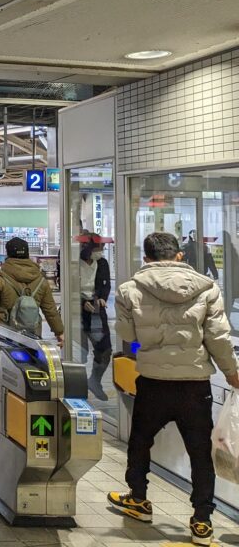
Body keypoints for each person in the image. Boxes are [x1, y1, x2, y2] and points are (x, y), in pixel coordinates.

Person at [108, 232, 239, 546]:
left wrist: (151, 344)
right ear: (180, 256)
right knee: (199, 453)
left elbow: (127, 332)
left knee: (140, 441)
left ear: (147, 258)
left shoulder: (129, 290)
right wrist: (232, 373)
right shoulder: (208, 289)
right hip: (194, 386)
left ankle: (138, 499)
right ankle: (202, 521)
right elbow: (219, 339)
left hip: (152, 381)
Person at [0, 237, 64, 343]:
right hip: (32, 335)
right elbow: (50, 310)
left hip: (5, 334)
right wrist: (59, 332)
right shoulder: (40, 280)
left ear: (8, 254)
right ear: (27, 254)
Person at [79, 240, 112, 400]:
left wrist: (101, 298)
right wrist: (80, 302)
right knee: (79, 352)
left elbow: (105, 285)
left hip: (97, 310)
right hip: (77, 311)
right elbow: (67, 286)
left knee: (105, 349)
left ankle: (95, 381)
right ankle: (77, 386)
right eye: (99, 248)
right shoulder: (72, 262)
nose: (102, 251)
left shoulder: (102, 263)